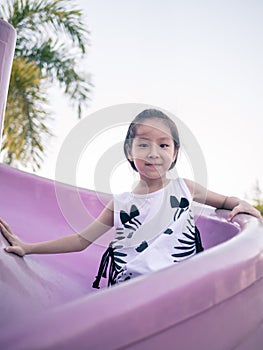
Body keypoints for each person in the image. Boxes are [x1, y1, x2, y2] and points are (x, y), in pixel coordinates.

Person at [0, 109, 261, 288]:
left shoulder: (185, 188)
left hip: (181, 285)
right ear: (129, 150)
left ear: (175, 152)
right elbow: (81, 240)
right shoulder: (122, 203)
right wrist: (29, 247)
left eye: (163, 145)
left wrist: (243, 204)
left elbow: (226, 201)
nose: (153, 153)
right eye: (143, 144)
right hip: (132, 289)